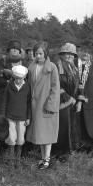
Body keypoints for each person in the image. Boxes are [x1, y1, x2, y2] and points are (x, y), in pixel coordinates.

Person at [25, 41, 60, 170]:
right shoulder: (31, 67)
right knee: (39, 132)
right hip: (35, 105)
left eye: (40, 53)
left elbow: (55, 87)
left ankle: (47, 159)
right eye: (36, 54)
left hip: (46, 105)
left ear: (45, 53)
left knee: (48, 133)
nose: (38, 56)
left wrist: (51, 104)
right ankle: (42, 157)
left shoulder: (52, 67)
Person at [0, 65, 32, 168]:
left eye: (20, 79)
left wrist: (28, 117)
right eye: (16, 79)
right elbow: (4, 102)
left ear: (24, 78)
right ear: (13, 78)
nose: (18, 81)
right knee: (11, 138)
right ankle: (11, 160)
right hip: (10, 116)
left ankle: (18, 160)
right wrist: (3, 116)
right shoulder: (9, 86)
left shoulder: (27, 86)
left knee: (20, 138)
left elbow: (29, 102)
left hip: (22, 117)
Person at [52, 43, 79, 163]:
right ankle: (59, 153)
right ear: (62, 55)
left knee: (71, 126)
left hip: (71, 103)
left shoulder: (74, 68)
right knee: (62, 128)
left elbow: (77, 86)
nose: (69, 56)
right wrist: (69, 99)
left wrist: (77, 100)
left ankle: (69, 150)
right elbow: (55, 86)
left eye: (72, 54)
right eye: (67, 53)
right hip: (60, 103)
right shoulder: (57, 67)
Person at [75, 46, 93, 153]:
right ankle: (82, 145)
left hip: (91, 99)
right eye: (84, 51)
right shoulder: (74, 65)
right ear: (79, 52)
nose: (86, 54)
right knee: (80, 123)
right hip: (77, 100)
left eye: (88, 52)